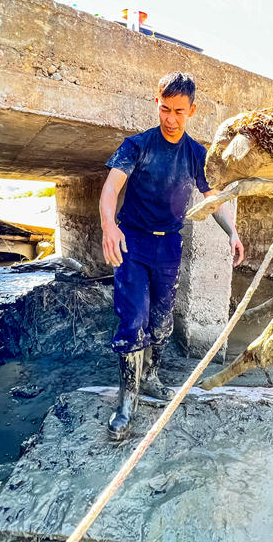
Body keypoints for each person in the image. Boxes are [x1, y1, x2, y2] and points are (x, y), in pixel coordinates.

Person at [99, 71, 244, 440]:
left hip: (169, 245)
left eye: (179, 111)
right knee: (133, 320)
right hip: (133, 241)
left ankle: (151, 378)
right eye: (165, 109)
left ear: (192, 110)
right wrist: (108, 227)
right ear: (157, 103)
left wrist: (232, 233)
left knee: (162, 321)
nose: (170, 118)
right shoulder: (137, 145)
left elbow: (212, 199)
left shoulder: (197, 154)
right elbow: (111, 187)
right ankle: (126, 401)